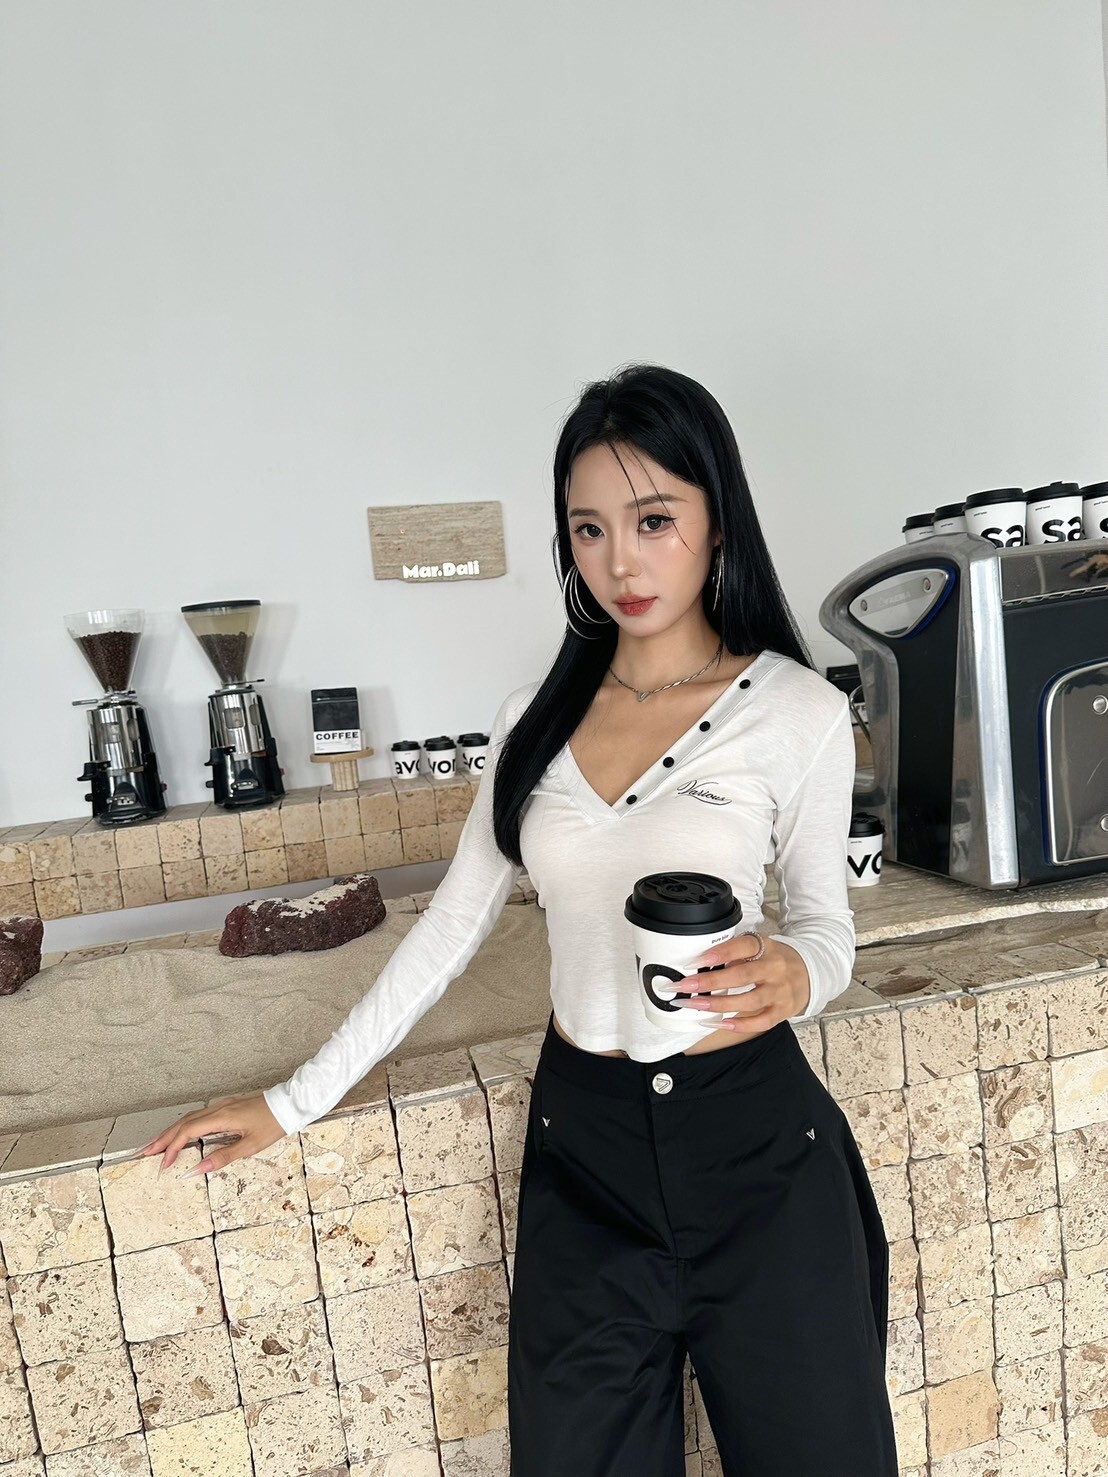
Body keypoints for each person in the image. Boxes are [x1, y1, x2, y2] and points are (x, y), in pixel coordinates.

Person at [141, 363, 899, 1475]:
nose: (621, 561)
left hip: (760, 1155)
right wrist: (291, 1103)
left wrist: (799, 971)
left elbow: (827, 926)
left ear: (716, 519)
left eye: (653, 519)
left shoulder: (796, 711)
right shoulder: (531, 723)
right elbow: (447, 930)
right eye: (589, 529)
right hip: (586, 1160)